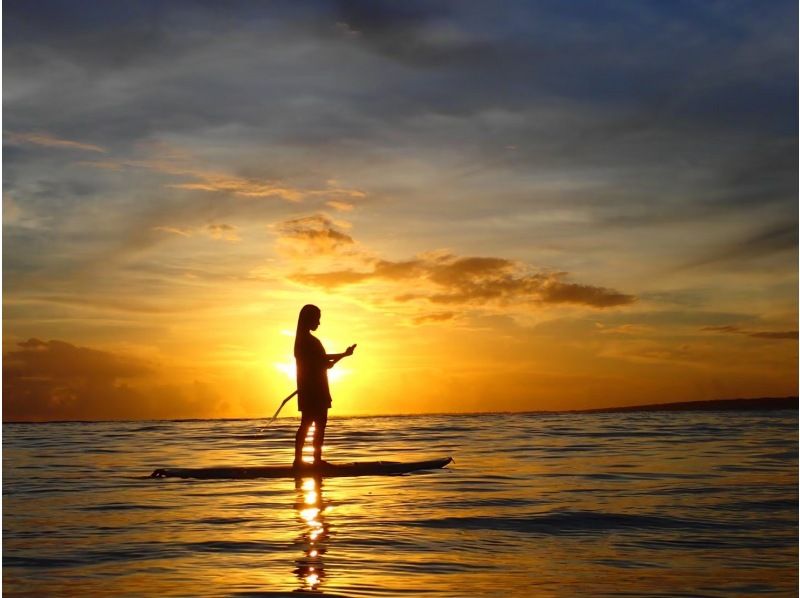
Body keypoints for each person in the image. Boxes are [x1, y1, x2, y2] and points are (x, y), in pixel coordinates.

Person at [293, 304, 356, 467]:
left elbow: (324, 363)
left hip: (311, 391)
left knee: (308, 425)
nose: (319, 323)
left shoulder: (303, 341)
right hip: (315, 391)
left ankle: (303, 461)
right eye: (317, 319)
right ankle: (310, 461)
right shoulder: (307, 341)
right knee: (314, 425)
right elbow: (323, 362)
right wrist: (344, 355)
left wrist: (343, 355)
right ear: (309, 319)